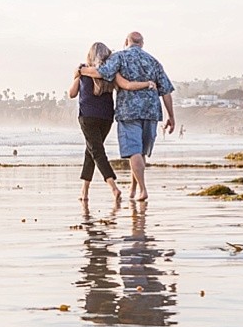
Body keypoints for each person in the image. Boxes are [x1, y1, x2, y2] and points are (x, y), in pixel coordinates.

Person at [79, 32, 175, 201]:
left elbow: (102, 72)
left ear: (126, 42)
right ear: (142, 43)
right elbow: (166, 90)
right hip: (151, 111)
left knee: (134, 151)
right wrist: (171, 116)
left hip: (129, 111)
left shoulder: (120, 57)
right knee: (141, 152)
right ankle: (133, 189)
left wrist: (82, 70)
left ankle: (143, 190)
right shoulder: (153, 61)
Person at [70, 42, 155, 202]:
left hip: (87, 117)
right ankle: (84, 191)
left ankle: (113, 188)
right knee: (91, 151)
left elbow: (72, 94)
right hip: (106, 117)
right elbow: (127, 85)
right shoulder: (110, 73)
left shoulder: (83, 70)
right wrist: (147, 83)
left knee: (96, 152)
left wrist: (78, 75)